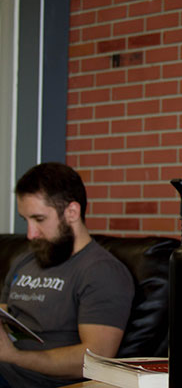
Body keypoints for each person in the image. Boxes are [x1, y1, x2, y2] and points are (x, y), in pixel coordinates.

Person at [0, 163, 134, 387]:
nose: (31, 234)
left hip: (28, 381)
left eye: (39, 220)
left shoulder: (102, 272)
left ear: (72, 212)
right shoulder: (25, 260)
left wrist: (14, 356)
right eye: (26, 221)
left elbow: (95, 359)